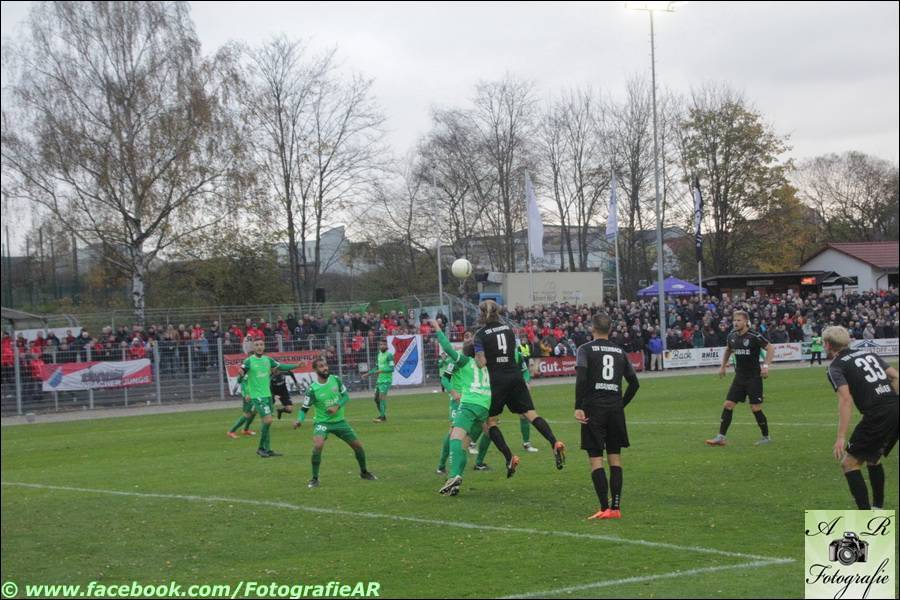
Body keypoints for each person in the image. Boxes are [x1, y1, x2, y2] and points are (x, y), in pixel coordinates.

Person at [474, 301, 566, 472]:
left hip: (496, 379)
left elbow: (482, 362)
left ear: (481, 314)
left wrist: (477, 360)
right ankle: (554, 442)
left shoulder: (480, 335)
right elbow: (513, 353)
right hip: (515, 376)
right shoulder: (508, 330)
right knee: (531, 414)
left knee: (491, 422)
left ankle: (509, 458)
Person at [824, 326, 898, 509]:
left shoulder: (836, 366)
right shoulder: (868, 354)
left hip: (877, 416)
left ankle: (865, 517)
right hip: (895, 409)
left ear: (827, 345)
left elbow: (845, 400)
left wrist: (841, 437)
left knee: (849, 464)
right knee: (873, 458)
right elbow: (896, 376)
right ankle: (878, 508)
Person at [575, 313, 640, 520]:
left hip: (593, 409)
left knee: (596, 460)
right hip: (614, 410)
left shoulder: (584, 349)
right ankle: (616, 507)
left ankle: (604, 508)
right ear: (610, 329)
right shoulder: (620, 351)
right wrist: (621, 404)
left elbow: (581, 379)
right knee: (615, 458)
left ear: (592, 328)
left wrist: (578, 406)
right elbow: (634, 383)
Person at [431, 319, 497, 496]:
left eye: (470, 338)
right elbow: (445, 378)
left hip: (468, 404)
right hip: (483, 405)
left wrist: (437, 328)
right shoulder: (485, 364)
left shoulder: (464, 361)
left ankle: (453, 475)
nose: (468, 339)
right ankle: (453, 479)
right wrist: (453, 392)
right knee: (464, 445)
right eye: (467, 337)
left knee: (455, 437)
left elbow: (447, 347)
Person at [294, 357, 377, 488]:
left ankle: (364, 472)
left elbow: (346, 397)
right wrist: (299, 420)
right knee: (318, 445)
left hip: (340, 422)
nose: (325, 368)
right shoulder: (312, 389)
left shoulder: (335, 380)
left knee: (358, 446)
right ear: (315, 370)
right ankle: (314, 479)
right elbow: (304, 408)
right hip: (322, 423)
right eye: (321, 366)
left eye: (325, 365)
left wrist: (337, 406)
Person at [705, 310, 774, 447]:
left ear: (746, 322)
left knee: (755, 408)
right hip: (739, 377)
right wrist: (723, 366)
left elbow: (770, 348)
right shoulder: (731, 336)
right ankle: (720, 437)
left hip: (754, 377)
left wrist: (766, 366)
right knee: (728, 405)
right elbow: (728, 350)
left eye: (739, 320)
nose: (735, 323)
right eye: (734, 320)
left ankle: (766, 437)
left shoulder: (754, 336)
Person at [237, 339, 300, 458]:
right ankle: (260, 448)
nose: (259, 347)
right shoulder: (249, 361)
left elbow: (281, 366)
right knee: (268, 420)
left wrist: (296, 365)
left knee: (266, 422)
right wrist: (240, 375)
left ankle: (268, 449)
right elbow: (240, 376)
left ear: (264, 346)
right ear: (253, 347)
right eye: (257, 345)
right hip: (257, 396)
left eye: (261, 344)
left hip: (267, 395)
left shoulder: (268, 360)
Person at [368, 339, 394, 423]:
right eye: (381, 345)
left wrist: (381, 371)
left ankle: (382, 418)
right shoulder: (379, 355)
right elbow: (376, 368)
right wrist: (368, 373)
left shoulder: (389, 355)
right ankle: (382, 415)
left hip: (386, 380)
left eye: (384, 344)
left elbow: (391, 368)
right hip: (379, 380)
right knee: (376, 399)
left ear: (387, 346)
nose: (382, 346)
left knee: (381, 398)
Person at [226, 370, 257, 439]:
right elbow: (244, 384)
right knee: (247, 414)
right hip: (249, 396)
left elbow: (240, 380)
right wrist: (247, 394)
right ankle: (231, 431)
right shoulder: (247, 372)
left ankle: (245, 430)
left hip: (254, 394)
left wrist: (241, 376)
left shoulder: (250, 372)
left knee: (254, 412)